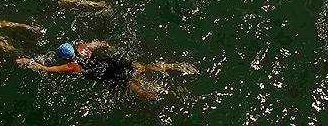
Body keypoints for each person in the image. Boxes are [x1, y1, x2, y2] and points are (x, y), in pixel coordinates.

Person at [17, 41, 197, 99]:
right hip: (111, 63)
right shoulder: (83, 48)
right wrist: (108, 47)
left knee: (134, 86)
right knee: (142, 67)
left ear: (64, 57)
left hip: (105, 75)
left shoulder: (71, 66)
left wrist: (28, 61)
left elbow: (47, 69)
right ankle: (173, 66)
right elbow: (101, 43)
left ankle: (163, 95)